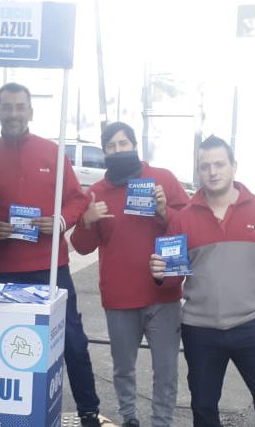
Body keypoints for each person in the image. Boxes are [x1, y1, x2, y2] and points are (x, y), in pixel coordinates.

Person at [150, 135, 255, 427]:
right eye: (205, 166)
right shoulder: (182, 219)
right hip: (200, 330)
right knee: (204, 409)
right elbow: (172, 280)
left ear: (233, 167)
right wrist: (161, 275)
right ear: (198, 171)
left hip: (253, 325)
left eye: (219, 164)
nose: (213, 172)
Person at [0, 82, 101, 426]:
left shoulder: (52, 153)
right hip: (5, 269)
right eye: (7, 107)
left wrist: (62, 220)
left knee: (73, 343)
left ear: (30, 112)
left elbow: (79, 199)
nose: (13, 113)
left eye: (20, 107)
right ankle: (13, 411)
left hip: (50, 266)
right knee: (12, 346)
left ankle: (88, 411)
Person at [70, 122, 189, 427]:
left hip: (163, 294)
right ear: (105, 151)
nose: (118, 150)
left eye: (124, 143)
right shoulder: (96, 192)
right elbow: (81, 248)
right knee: (123, 368)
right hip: (119, 297)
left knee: (166, 369)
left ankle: (161, 421)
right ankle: (129, 418)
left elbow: (189, 228)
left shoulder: (162, 180)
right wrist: (87, 220)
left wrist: (165, 211)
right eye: (111, 145)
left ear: (135, 146)